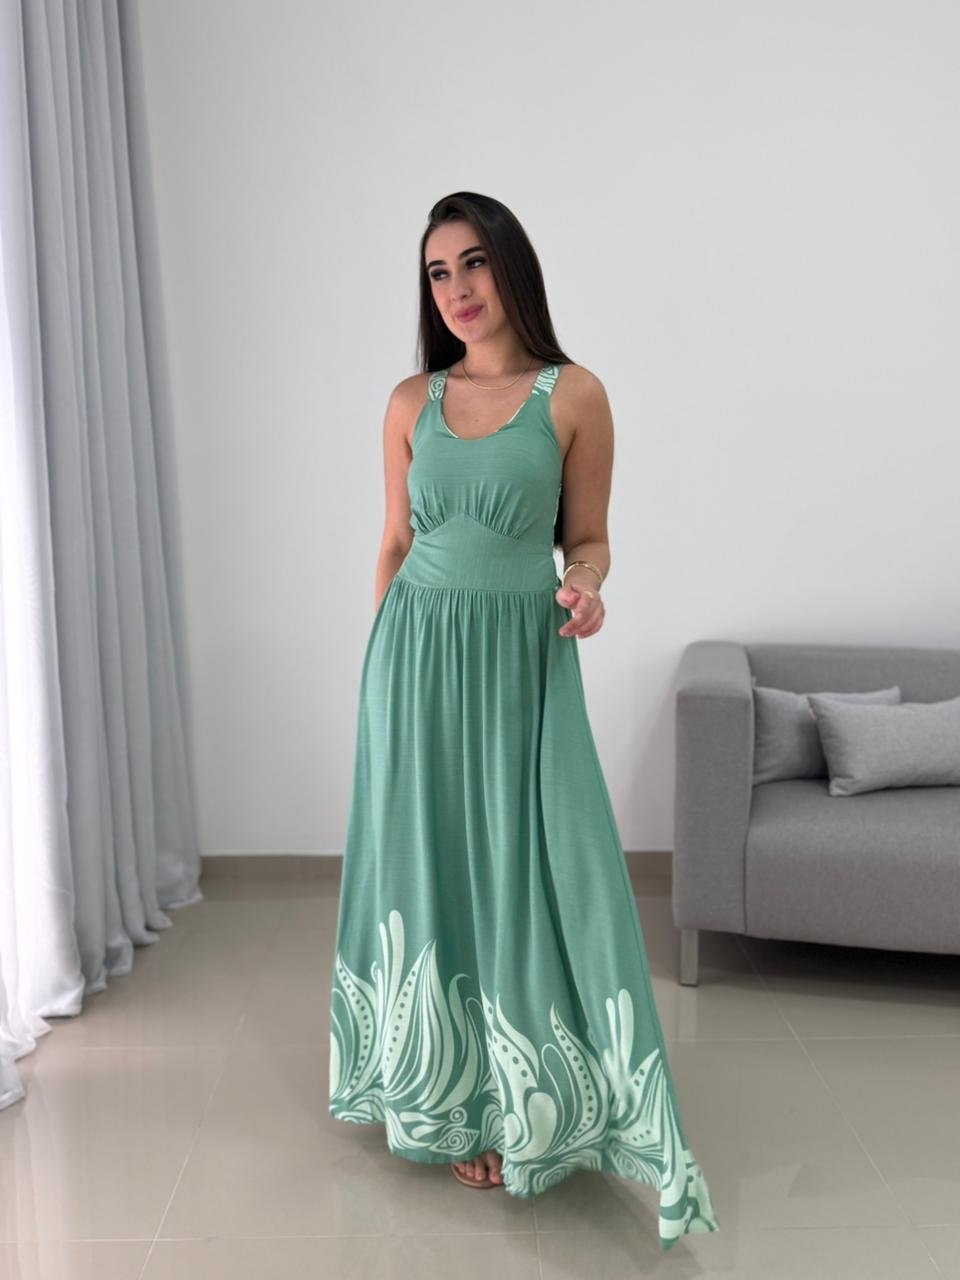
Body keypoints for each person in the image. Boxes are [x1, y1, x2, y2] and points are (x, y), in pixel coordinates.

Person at [328, 192, 719, 1252]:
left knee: (528, 869)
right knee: (430, 867)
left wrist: (585, 589)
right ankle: (444, 1094)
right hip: (412, 662)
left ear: (511, 266)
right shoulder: (410, 400)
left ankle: (530, 1094)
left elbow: (588, 539)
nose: (455, 289)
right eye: (437, 272)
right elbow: (395, 541)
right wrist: (380, 680)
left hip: (518, 666)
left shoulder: (573, 394)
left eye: (472, 263)